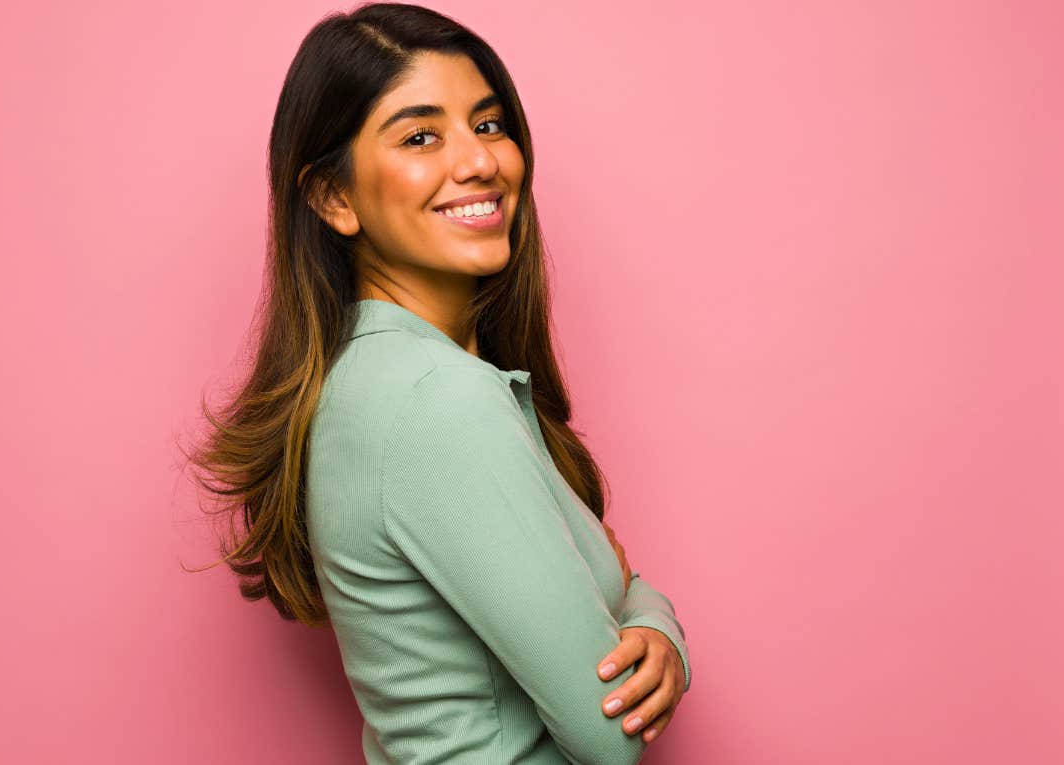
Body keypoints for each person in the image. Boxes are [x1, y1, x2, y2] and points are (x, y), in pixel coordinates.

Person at [184, 4, 691, 763]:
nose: (480, 161)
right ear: (334, 198)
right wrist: (642, 601)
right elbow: (607, 729)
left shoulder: (362, 380)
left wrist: (644, 614)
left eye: (488, 125)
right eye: (421, 136)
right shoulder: (437, 398)